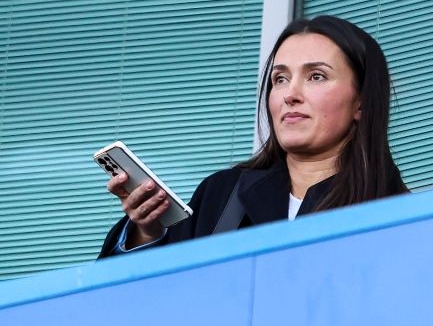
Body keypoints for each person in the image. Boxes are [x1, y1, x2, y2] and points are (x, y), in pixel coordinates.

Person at [99, 16, 408, 256]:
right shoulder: (221, 194)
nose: (290, 94)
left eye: (316, 76)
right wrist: (146, 231)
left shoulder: (401, 215)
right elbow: (143, 304)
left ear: (362, 102)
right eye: (280, 78)